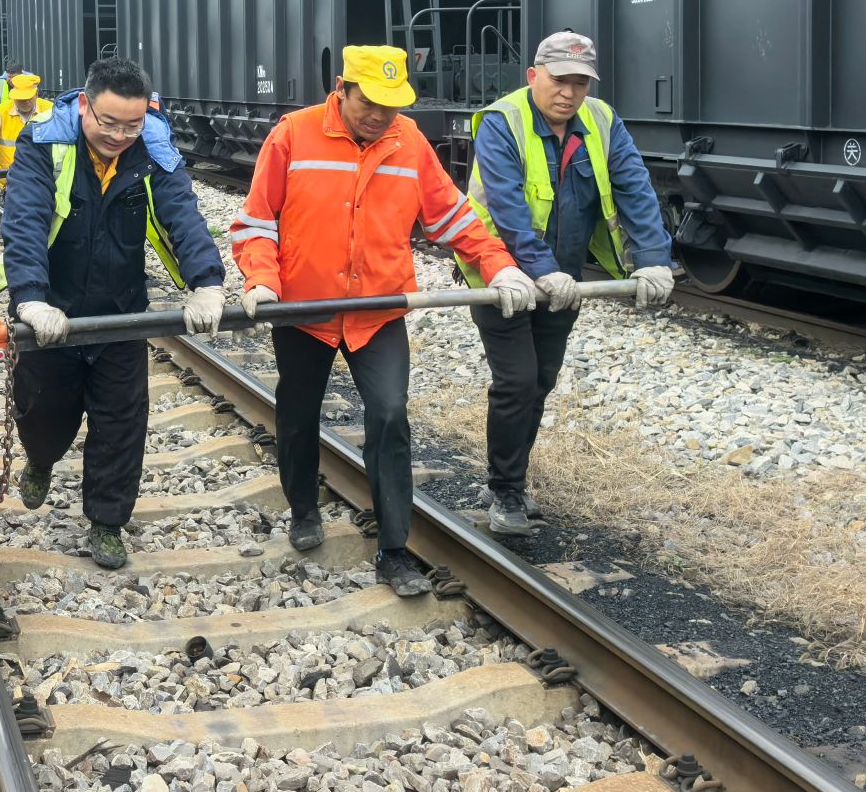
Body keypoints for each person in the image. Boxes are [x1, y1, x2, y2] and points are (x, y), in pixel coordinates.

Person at [232, 46, 537, 595]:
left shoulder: (410, 141)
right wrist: (261, 278)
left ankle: (395, 550)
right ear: (341, 89)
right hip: (304, 309)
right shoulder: (293, 135)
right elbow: (256, 220)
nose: (379, 116)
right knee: (298, 413)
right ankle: (303, 509)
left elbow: (452, 216)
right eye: (368, 103)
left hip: (377, 309)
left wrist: (499, 266)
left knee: (391, 415)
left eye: (390, 106)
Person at [0, 56, 226, 569]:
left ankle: (106, 522)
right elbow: (26, 218)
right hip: (51, 309)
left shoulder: (153, 147)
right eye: (110, 122)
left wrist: (207, 282)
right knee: (43, 413)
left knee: (122, 421)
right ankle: (40, 459)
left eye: (132, 125)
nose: (120, 136)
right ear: (85, 105)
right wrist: (30, 297)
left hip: (120, 311)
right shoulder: (44, 143)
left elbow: (182, 213)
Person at [462, 31, 675, 537]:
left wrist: (653, 259)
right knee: (516, 381)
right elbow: (509, 208)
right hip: (501, 273)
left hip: (566, 277)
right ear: (533, 76)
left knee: (541, 380)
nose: (569, 92)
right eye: (559, 80)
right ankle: (506, 490)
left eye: (580, 83)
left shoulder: (602, 120)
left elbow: (634, 187)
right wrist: (539, 269)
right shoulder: (503, 121)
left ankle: (509, 480)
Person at [0, 72, 52, 184]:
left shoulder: (50, 109)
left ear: (36, 94)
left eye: (29, 98)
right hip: (10, 181)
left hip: (43, 179)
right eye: (21, 99)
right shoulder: (2, 111)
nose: (25, 102)